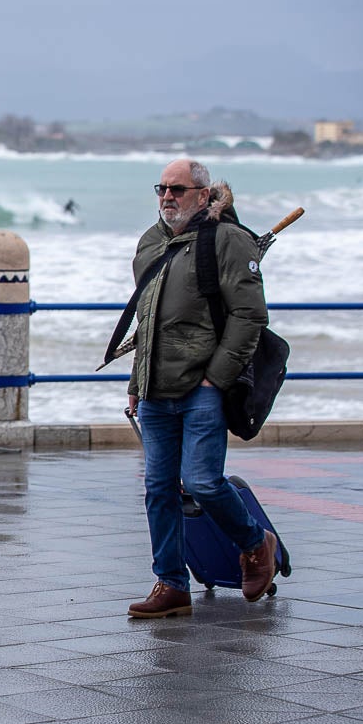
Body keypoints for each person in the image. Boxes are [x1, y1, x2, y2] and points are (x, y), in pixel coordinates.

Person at [124, 159, 277, 619]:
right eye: (162, 188)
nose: (167, 196)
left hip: (202, 386)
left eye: (178, 189)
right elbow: (146, 321)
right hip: (155, 390)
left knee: (204, 483)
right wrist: (136, 382)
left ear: (205, 195)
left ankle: (255, 543)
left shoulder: (228, 240)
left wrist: (216, 378)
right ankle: (170, 584)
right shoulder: (151, 242)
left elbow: (250, 316)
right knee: (158, 488)